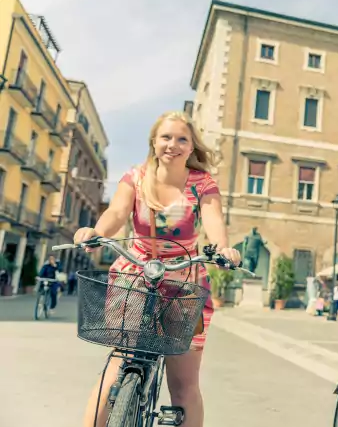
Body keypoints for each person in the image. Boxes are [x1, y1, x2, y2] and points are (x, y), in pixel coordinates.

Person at [73, 111, 241, 427]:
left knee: (184, 384)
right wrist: (97, 232)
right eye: (166, 137)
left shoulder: (202, 184)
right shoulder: (135, 177)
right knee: (118, 363)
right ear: (154, 141)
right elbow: (117, 212)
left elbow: (214, 220)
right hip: (136, 274)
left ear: (192, 148)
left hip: (184, 281)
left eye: (182, 139)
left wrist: (223, 249)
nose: (172, 145)